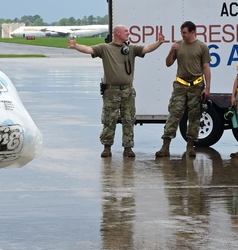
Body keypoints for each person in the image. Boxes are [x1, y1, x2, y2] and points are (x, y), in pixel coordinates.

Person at [68, 24, 165, 157]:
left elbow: (146, 49)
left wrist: (159, 43)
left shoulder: (130, 49)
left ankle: (128, 148)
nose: (128, 33)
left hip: (127, 91)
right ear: (118, 33)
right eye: (125, 31)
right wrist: (76, 46)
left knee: (129, 120)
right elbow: (89, 49)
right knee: (109, 120)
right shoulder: (105, 48)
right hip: (111, 92)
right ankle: (107, 147)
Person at [156, 21, 211, 158]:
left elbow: (206, 68)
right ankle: (165, 146)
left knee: (194, 116)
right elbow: (168, 63)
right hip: (180, 85)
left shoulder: (202, 47)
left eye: (185, 33)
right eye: (182, 33)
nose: (183, 35)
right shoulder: (178, 45)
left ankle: (190, 147)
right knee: (174, 114)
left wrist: (207, 87)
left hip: (196, 86)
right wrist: (171, 51)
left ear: (193, 32)